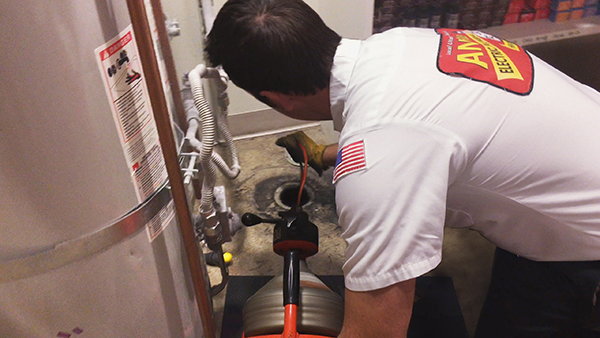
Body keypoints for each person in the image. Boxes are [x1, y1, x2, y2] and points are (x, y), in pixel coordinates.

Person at [206, 0, 600, 337]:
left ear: (277, 100)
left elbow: (379, 330)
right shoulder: (399, 44)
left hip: (586, 243)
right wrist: (326, 154)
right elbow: (430, 122)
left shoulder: (380, 158)